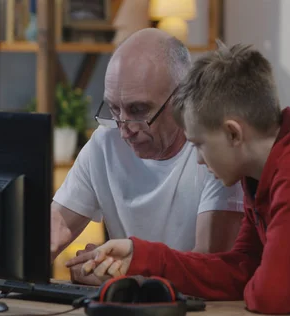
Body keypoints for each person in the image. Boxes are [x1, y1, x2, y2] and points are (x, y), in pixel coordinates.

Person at [65, 42, 290, 314]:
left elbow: (270, 296)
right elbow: (241, 269)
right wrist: (141, 254)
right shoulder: (260, 177)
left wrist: (288, 281)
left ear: (234, 134)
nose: (199, 160)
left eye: (200, 145)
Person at [51, 29, 245, 285]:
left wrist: (115, 272)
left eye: (138, 110)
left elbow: (209, 268)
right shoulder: (104, 141)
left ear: (181, 98)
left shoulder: (212, 153)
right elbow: (56, 229)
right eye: (113, 108)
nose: (124, 128)